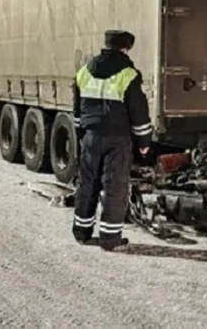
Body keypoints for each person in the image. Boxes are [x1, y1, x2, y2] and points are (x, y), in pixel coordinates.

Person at [71, 30, 152, 251]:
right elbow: (139, 112)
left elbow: (77, 112)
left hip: (90, 137)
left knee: (87, 184)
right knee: (114, 188)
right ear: (125, 48)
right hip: (118, 140)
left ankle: (81, 232)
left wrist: (82, 136)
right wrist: (144, 141)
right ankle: (109, 239)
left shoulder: (84, 71)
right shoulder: (129, 74)